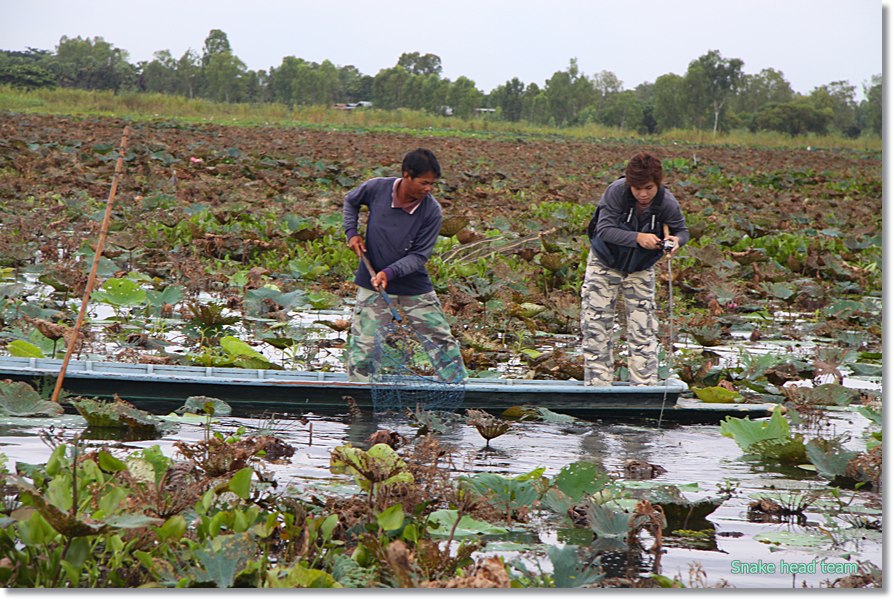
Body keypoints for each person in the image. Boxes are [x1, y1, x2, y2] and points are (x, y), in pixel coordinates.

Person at [342, 148, 465, 382]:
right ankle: (360, 393)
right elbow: (351, 201)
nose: (428, 189)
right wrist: (351, 233)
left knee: (440, 338)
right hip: (372, 283)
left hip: (413, 284)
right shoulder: (376, 188)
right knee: (364, 343)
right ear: (406, 175)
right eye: (424, 182)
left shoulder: (431, 211)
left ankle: (457, 387)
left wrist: (389, 272)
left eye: (432, 184)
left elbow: (419, 256)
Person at [581, 151, 689, 386]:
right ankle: (597, 385)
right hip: (605, 261)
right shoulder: (616, 192)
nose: (642, 194)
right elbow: (604, 230)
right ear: (629, 184)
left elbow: (682, 230)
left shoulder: (666, 202)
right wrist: (638, 237)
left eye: (648, 188)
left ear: (657, 184)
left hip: (640, 267)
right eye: (637, 188)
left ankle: (644, 385)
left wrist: (676, 241)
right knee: (596, 323)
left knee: (643, 327)